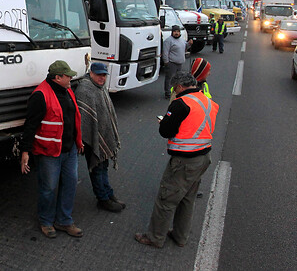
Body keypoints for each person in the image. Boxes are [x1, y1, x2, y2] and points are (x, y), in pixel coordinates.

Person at [135, 72, 219, 248]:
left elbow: (166, 131)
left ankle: (155, 237)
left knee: (167, 199)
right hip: (203, 157)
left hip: (184, 161)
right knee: (187, 199)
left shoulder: (180, 104)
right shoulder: (207, 101)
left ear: (179, 87)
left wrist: (164, 121)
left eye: (175, 88)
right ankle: (180, 236)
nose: (174, 91)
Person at [20, 60, 85, 239]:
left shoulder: (68, 90)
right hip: (49, 153)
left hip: (69, 149)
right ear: (57, 78)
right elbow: (30, 126)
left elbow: (73, 118)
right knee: (48, 187)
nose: (71, 78)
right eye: (67, 76)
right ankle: (46, 221)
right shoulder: (40, 96)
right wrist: (25, 152)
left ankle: (64, 221)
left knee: (70, 183)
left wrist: (78, 142)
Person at [75, 62, 125, 213]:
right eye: (99, 75)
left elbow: (107, 111)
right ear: (91, 73)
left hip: (103, 134)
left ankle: (109, 194)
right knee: (97, 168)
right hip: (91, 137)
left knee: (104, 167)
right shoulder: (85, 89)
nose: (102, 78)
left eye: (104, 75)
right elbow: (85, 118)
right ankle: (102, 199)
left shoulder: (100, 87)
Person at [162, 25, 193, 99]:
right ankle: (168, 92)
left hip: (180, 63)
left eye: (178, 31)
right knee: (170, 78)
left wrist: (189, 44)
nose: (176, 33)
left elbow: (185, 47)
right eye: (175, 31)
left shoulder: (182, 40)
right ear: (172, 32)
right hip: (172, 63)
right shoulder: (168, 41)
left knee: (178, 78)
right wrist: (166, 62)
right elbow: (165, 52)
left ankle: (176, 92)